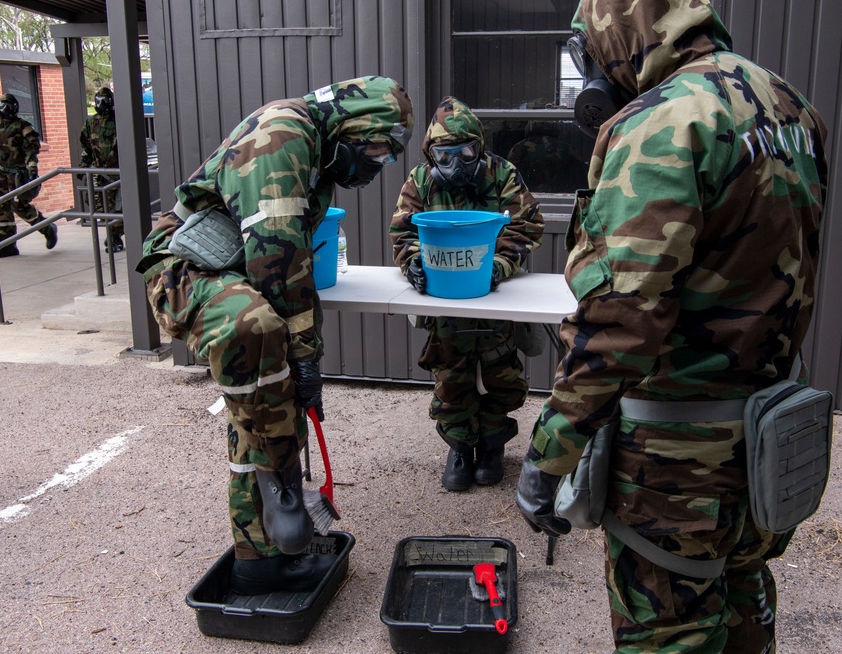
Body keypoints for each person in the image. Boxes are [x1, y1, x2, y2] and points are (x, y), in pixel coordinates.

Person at [515, 0, 829, 652]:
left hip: (678, 465)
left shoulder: (662, 122)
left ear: (623, 34)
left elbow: (621, 315)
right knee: (744, 599)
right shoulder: (790, 105)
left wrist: (550, 453)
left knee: (673, 629)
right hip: (770, 434)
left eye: (592, 52)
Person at [137, 76, 414, 595]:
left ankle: (258, 559)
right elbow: (277, 260)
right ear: (354, 129)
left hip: (234, 269)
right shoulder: (284, 134)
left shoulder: (317, 151)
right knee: (256, 330)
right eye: (380, 151)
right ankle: (284, 488)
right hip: (183, 268)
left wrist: (302, 361)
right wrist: (307, 357)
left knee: (262, 395)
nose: (379, 166)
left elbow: (293, 259)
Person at [390, 96, 545, 492]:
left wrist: (498, 266)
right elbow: (403, 230)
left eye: (466, 152)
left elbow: (526, 224)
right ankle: (459, 446)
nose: (456, 163)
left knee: (500, 371)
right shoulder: (421, 180)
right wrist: (413, 264)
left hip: (491, 293)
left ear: (480, 146)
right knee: (451, 372)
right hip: (444, 296)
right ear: (431, 153)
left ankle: (492, 446)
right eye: (446, 154)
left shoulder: (502, 174)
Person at [0, 93, 57, 258]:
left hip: (17, 173)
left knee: (19, 205)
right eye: (3, 105)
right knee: (0, 208)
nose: (5, 109)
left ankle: (47, 228)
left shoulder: (23, 126)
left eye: (8, 105)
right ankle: (7, 244)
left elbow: (32, 149)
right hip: (0, 172)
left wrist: (32, 169)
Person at [79, 87, 123, 253]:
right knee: (101, 206)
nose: (103, 105)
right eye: (100, 101)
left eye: (106, 101)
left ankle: (115, 236)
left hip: (119, 171)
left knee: (120, 207)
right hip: (101, 172)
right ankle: (113, 235)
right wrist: (83, 167)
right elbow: (87, 147)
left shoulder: (119, 120)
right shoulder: (91, 123)